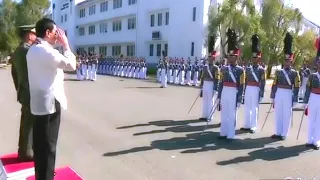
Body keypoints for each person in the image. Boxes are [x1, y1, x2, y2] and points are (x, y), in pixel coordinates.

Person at [26, 18, 76, 180]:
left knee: (41, 145)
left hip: (39, 103)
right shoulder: (45, 51)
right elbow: (71, 65)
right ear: (47, 33)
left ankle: (42, 175)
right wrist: (66, 45)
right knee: (49, 147)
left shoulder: (34, 49)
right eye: (56, 33)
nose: (58, 36)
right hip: (50, 104)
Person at [11, 25, 37, 162]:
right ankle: (28, 153)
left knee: (25, 122)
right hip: (32, 93)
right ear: (28, 35)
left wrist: (20, 90)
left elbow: (14, 74)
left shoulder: (16, 51)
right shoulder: (29, 51)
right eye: (34, 34)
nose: (36, 36)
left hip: (24, 92)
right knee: (31, 124)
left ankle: (22, 150)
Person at [270, 32, 300, 140]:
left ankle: (284, 133)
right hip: (279, 93)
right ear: (284, 61)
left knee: (286, 113)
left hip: (288, 93)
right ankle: (278, 132)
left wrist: (295, 98)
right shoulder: (279, 72)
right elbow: (274, 84)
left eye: (289, 60)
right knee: (278, 112)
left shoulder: (294, 73)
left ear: (291, 61)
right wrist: (272, 95)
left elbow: (296, 86)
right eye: (285, 60)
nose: (287, 62)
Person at [217, 29, 245, 141]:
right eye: (229, 56)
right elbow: (221, 83)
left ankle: (230, 134)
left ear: (236, 58)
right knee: (224, 112)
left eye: (232, 56)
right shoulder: (224, 68)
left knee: (232, 113)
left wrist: (239, 99)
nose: (229, 58)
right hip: (225, 91)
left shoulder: (240, 70)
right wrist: (219, 96)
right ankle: (223, 132)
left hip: (234, 92)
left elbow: (241, 85)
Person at [241, 34, 266, 133]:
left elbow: (263, 83)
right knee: (247, 106)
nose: (254, 60)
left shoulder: (261, 70)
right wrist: (244, 91)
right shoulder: (248, 69)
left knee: (254, 107)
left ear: (259, 59)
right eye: (253, 58)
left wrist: (261, 94)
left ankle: (253, 126)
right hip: (248, 88)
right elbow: (246, 80)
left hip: (256, 89)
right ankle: (246, 124)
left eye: (256, 58)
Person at [303, 40, 320, 150]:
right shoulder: (312, 76)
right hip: (313, 97)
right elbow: (308, 89)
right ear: (317, 65)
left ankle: (316, 140)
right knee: (311, 119)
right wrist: (305, 102)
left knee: (319, 120)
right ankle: (309, 139)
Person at [199, 51, 219, 121]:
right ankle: (204, 115)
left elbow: (217, 79)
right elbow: (202, 77)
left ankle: (210, 116)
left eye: (211, 57)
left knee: (210, 100)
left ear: (214, 59)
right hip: (205, 84)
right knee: (205, 100)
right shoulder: (205, 67)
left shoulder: (216, 68)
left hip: (211, 84)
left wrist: (215, 88)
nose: (209, 59)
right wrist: (201, 86)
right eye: (209, 57)